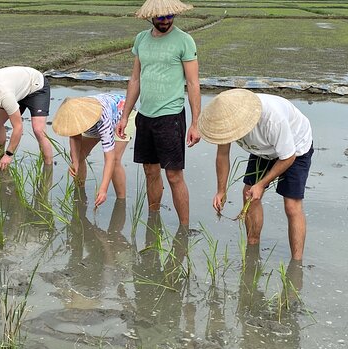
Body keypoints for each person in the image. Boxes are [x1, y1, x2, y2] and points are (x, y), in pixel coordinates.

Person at [198, 88, 313, 260]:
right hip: (263, 150)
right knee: (249, 196)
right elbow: (222, 155)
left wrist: (261, 184)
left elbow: (288, 157)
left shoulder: (273, 119)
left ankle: (296, 264)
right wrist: (221, 190)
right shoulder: (227, 121)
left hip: (295, 148)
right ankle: (252, 249)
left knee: (291, 205)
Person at [115, 0, 201, 226]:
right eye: (161, 17)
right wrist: (125, 116)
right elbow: (135, 79)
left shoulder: (184, 40)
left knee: (173, 175)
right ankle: (154, 220)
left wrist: (195, 123)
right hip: (145, 116)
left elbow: (193, 84)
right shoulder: (141, 40)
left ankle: (184, 228)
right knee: (150, 170)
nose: (165, 21)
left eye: (169, 16)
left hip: (170, 117)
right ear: (150, 17)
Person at [52, 94, 136, 208]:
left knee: (115, 160)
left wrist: (103, 189)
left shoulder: (103, 120)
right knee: (79, 156)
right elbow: (75, 136)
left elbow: (109, 158)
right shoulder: (75, 115)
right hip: (94, 121)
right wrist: (75, 162)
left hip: (124, 113)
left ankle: (121, 202)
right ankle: (79, 193)